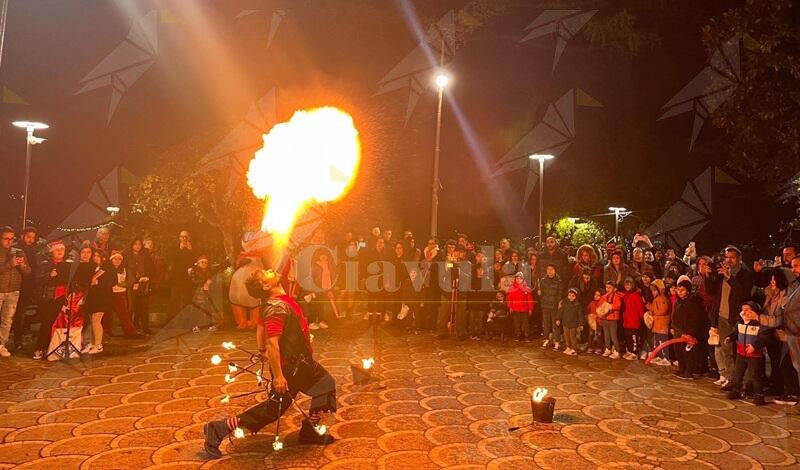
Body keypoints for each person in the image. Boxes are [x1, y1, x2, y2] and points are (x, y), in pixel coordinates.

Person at [203, 269, 336, 458]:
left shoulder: (278, 301)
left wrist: (266, 349)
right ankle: (219, 428)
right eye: (263, 274)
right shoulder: (276, 308)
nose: (268, 270)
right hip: (291, 368)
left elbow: (264, 328)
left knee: (325, 385)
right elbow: (272, 342)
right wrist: (279, 375)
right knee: (273, 410)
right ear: (266, 286)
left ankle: (310, 429)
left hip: (303, 363)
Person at [707, 246, 753, 389]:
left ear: (739, 258)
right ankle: (730, 379)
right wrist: (709, 276)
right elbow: (711, 291)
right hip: (722, 316)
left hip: (738, 317)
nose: (729, 260)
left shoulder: (745, 274)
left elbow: (744, 294)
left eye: (732, 257)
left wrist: (730, 278)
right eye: (727, 257)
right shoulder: (722, 272)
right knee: (726, 351)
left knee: (740, 352)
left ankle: (744, 382)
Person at [760, 268, 798, 404]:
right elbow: (767, 311)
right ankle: (778, 387)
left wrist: (759, 318)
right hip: (773, 334)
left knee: (786, 364)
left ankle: (793, 393)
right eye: (771, 279)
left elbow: (778, 319)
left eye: (775, 279)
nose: (772, 282)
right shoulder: (771, 293)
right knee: (776, 363)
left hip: (785, 334)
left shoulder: (786, 296)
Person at [724, 301, 768, 405]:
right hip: (741, 353)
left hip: (754, 355)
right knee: (737, 374)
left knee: (755, 376)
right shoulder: (741, 322)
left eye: (748, 310)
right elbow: (736, 333)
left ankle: (758, 395)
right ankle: (736, 390)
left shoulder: (759, 324)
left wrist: (754, 346)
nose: (745, 312)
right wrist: (730, 337)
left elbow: (764, 338)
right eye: (743, 310)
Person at [33, 241, 70, 360]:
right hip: (47, 298)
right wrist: (50, 275)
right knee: (46, 323)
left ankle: (51, 347)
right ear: (51, 252)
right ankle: (39, 348)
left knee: (55, 324)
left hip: (60, 298)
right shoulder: (45, 264)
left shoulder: (66, 265)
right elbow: (37, 280)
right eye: (57, 250)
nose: (60, 252)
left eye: (62, 250)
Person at [0, 227, 30, 357]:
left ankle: (1, 345)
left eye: (12, 239)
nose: (9, 241)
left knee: (7, 321)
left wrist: (22, 266)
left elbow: (28, 272)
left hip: (14, 291)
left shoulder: (19, 251)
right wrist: (9, 264)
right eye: (6, 238)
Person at [12, 227, 42, 350]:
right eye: (28, 237)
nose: (31, 240)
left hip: (27, 285)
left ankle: (18, 338)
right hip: (17, 283)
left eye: (33, 237)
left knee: (20, 312)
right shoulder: (16, 248)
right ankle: (16, 337)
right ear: (22, 236)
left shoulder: (32, 249)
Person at [672, 279, 707, 379]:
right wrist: (673, 326)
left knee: (687, 352)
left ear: (688, 290)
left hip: (687, 332)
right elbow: (675, 316)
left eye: (682, 290)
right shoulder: (678, 302)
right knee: (678, 351)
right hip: (678, 331)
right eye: (678, 290)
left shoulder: (692, 303)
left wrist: (690, 333)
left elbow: (694, 319)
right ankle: (681, 369)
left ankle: (689, 371)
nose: (679, 292)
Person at [82, 250, 113, 354]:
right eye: (94, 256)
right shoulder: (92, 268)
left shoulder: (108, 268)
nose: (95, 258)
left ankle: (98, 345)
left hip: (103, 297)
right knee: (91, 321)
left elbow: (112, 281)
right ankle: (92, 343)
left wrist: (98, 282)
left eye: (98, 256)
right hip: (93, 297)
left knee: (97, 320)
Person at [105, 251, 139, 338]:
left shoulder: (125, 269)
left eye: (119, 259)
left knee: (124, 313)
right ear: (111, 260)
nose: (117, 261)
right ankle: (106, 331)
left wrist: (125, 284)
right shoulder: (108, 269)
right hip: (109, 292)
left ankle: (130, 332)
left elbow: (131, 280)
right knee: (107, 314)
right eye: (115, 259)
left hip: (120, 293)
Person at [127, 238, 155, 335]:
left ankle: (145, 327)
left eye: (139, 244)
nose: (137, 246)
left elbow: (150, 267)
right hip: (133, 284)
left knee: (144, 306)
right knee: (132, 306)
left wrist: (147, 277)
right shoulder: (128, 256)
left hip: (144, 283)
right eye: (135, 244)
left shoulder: (144, 255)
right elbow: (129, 270)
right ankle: (130, 328)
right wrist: (135, 281)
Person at [168, 230, 196, 317]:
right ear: (179, 238)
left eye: (186, 237)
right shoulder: (175, 248)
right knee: (175, 299)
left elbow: (196, 260)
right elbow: (172, 260)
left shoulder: (193, 248)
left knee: (187, 298)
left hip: (188, 278)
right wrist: (180, 249)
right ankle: (172, 319)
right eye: (182, 237)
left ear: (189, 238)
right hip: (177, 278)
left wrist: (191, 250)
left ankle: (187, 319)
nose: (184, 239)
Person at [539, 264, 563, 350]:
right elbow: (541, 292)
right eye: (548, 269)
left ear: (555, 270)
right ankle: (546, 339)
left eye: (551, 269)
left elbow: (560, 294)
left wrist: (558, 302)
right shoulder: (543, 280)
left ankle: (557, 341)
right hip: (545, 304)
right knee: (545, 323)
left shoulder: (559, 281)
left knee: (555, 324)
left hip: (554, 305)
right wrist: (540, 294)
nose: (549, 271)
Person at [648, 279, 672, 366]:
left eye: (654, 290)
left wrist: (653, 311)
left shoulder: (663, 299)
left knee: (663, 342)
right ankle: (660, 356)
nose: (653, 293)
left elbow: (662, 311)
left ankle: (666, 358)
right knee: (658, 341)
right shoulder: (656, 299)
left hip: (662, 325)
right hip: (657, 325)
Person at [621, 277, 645, 360]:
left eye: (629, 285)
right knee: (628, 337)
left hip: (634, 321)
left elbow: (640, 308)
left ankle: (634, 353)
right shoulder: (626, 295)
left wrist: (642, 316)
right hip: (627, 321)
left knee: (634, 338)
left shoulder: (636, 296)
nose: (627, 286)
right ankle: (630, 350)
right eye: (626, 285)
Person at [599, 281, 623, 359]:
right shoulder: (604, 297)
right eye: (607, 287)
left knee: (613, 336)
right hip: (605, 318)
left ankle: (617, 350)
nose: (608, 289)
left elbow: (618, 306)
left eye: (610, 287)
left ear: (614, 288)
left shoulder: (616, 296)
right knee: (606, 335)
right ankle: (608, 348)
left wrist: (609, 306)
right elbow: (600, 306)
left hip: (613, 319)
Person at [507, 272, 533, 342]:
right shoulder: (512, 288)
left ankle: (527, 336)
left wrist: (530, 309)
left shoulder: (527, 288)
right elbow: (510, 299)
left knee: (525, 324)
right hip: (516, 309)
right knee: (517, 323)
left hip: (524, 309)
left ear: (523, 279)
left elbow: (529, 300)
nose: (518, 280)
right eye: (517, 278)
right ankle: (517, 336)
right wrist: (510, 307)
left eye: (520, 278)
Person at [559, 288, 584, 355]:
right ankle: (568, 347)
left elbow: (580, 314)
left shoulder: (578, 305)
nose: (571, 297)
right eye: (569, 295)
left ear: (576, 296)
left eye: (573, 296)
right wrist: (558, 319)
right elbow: (561, 311)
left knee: (572, 336)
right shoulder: (565, 302)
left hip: (573, 323)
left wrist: (581, 323)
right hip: (565, 322)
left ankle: (574, 349)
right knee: (566, 336)